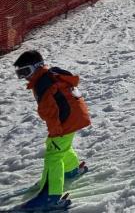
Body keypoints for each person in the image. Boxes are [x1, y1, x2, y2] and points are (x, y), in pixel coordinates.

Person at [13, 50, 91, 210]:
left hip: (67, 120)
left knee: (53, 155)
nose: (24, 77)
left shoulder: (43, 84)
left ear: (38, 66)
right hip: (76, 116)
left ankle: (51, 197)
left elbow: (52, 112)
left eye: (26, 71)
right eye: (20, 73)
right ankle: (72, 169)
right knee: (62, 146)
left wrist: (55, 133)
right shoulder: (49, 75)